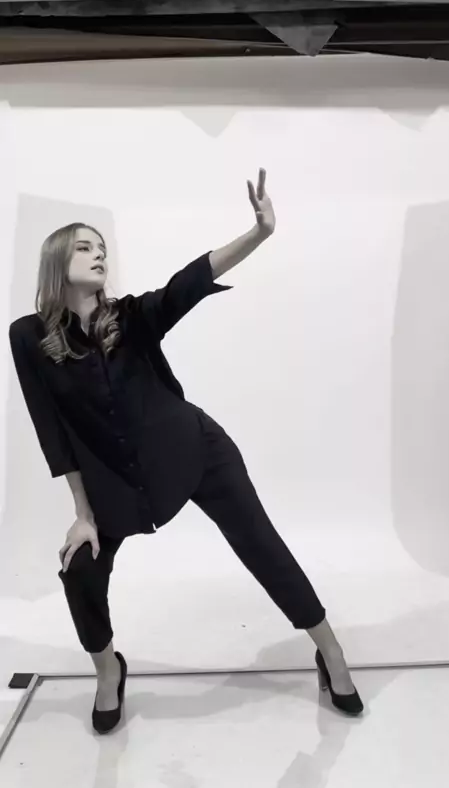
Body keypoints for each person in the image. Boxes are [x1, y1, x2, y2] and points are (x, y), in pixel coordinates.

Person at [9, 168, 363, 734]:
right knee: (80, 570)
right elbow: (49, 429)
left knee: (261, 544)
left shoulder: (130, 318)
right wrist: (83, 512)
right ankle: (108, 670)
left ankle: (331, 650)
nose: (99, 256)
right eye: (84, 247)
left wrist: (259, 233)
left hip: (194, 451)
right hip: (115, 482)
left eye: (102, 249)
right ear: (57, 260)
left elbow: (188, 283)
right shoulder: (27, 337)